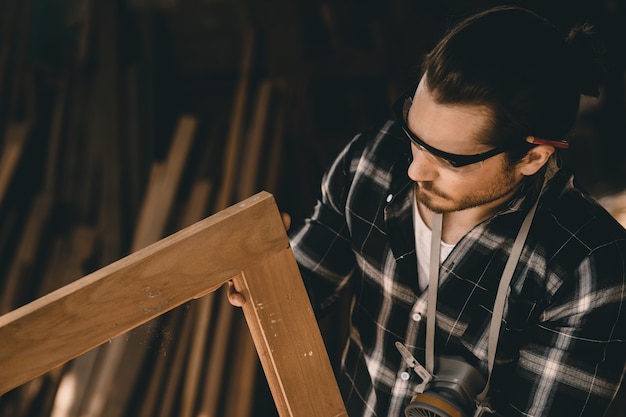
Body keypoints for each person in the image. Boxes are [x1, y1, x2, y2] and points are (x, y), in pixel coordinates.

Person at [284, 5, 626, 417]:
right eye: (414, 133)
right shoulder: (370, 161)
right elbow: (299, 286)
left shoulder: (589, 270)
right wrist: (263, 271)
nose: (414, 170)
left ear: (532, 157)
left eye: (450, 160)